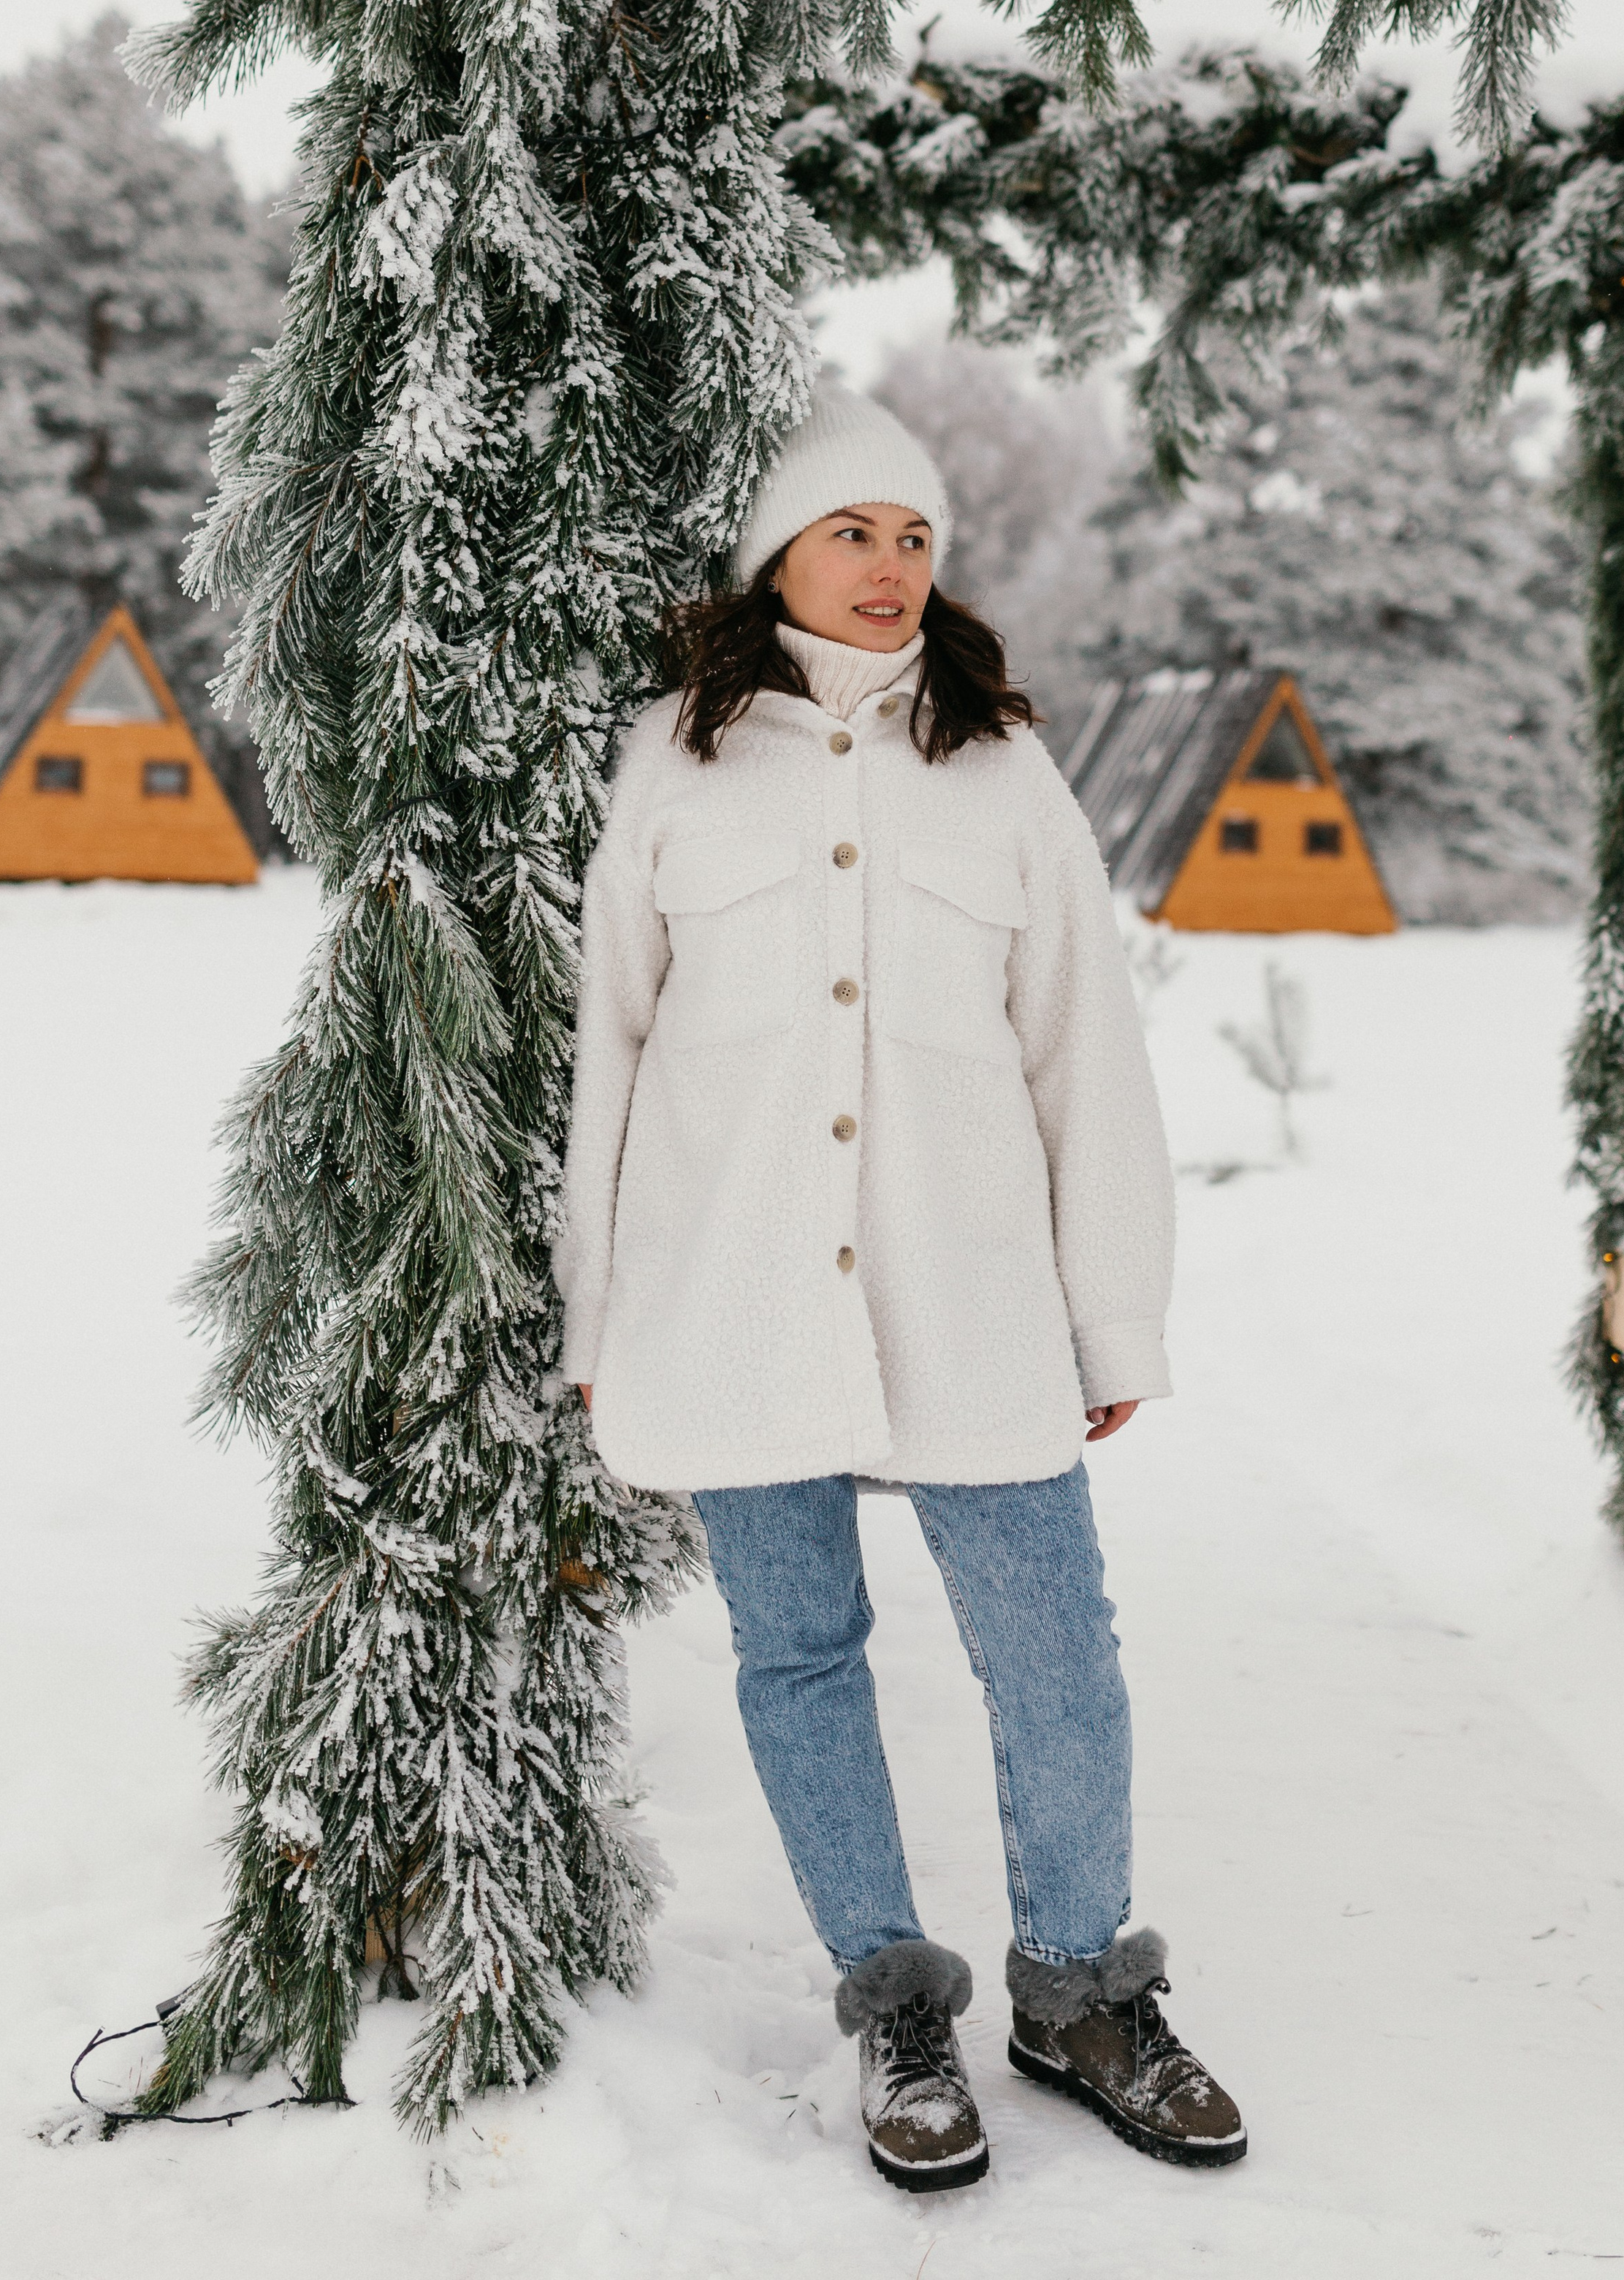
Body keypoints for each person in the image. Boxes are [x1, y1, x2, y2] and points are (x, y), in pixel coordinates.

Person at [557, 383, 1245, 2192]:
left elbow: (1083, 1060)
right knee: (798, 1656)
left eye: (915, 537)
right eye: (852, 531)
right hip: (725, 1292)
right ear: (777, 552)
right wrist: (593, 1314)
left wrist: (1112, 1317)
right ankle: (890, 1998)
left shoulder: (1002, 770)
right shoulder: (671, 762)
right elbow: (608, 1059)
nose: (887, 567)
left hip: (973, 1295)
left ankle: (1082, 1988)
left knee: (1058, 1661)